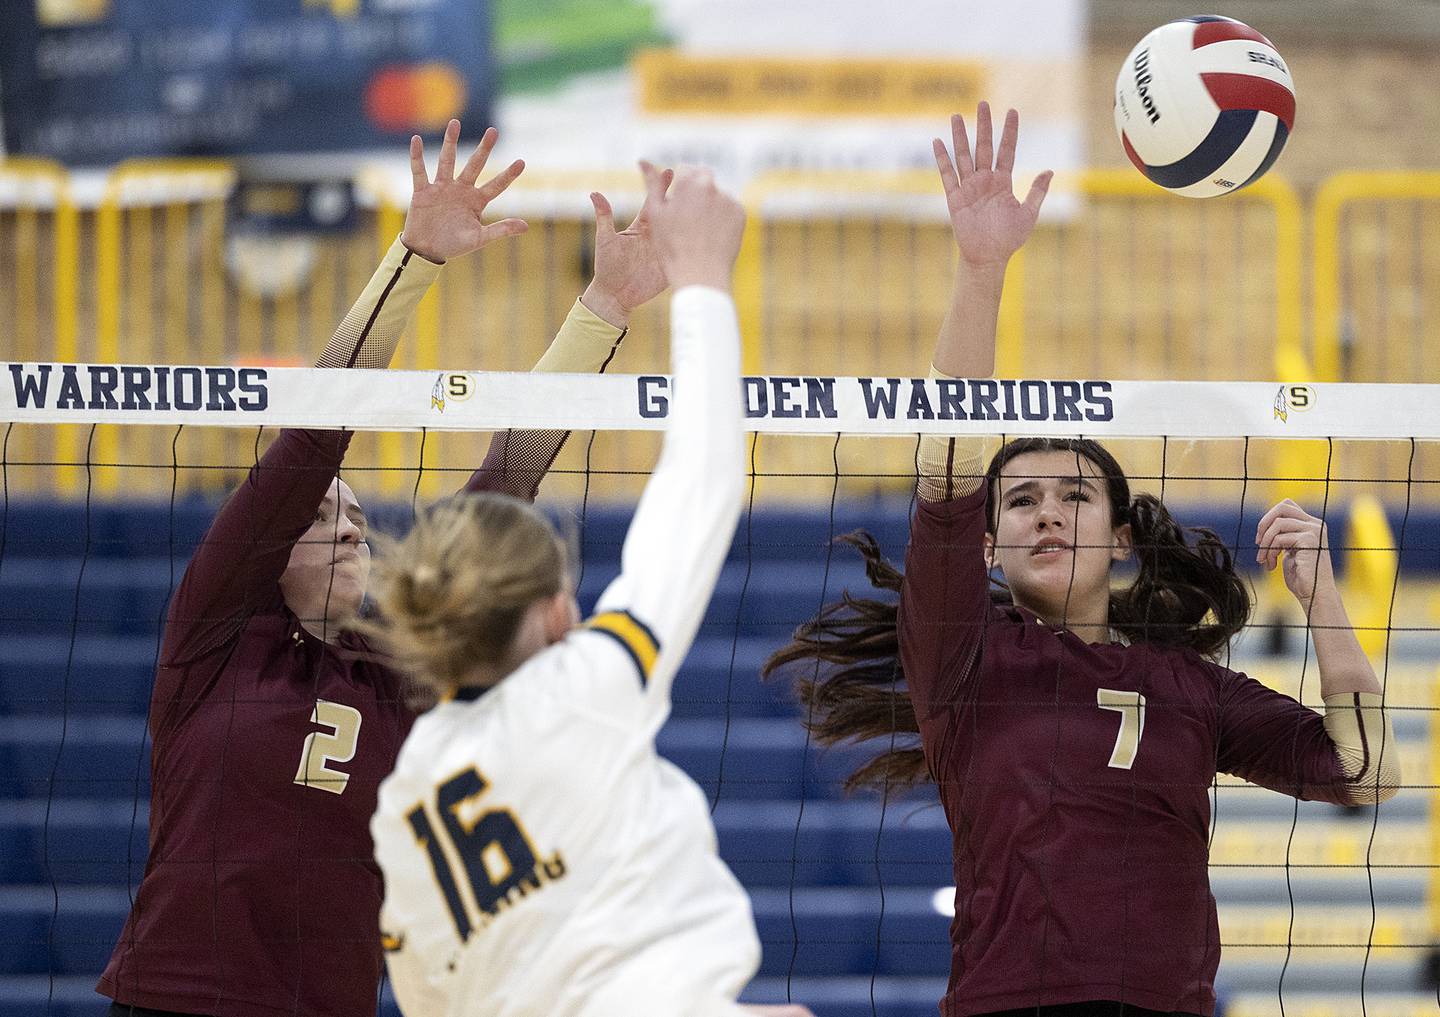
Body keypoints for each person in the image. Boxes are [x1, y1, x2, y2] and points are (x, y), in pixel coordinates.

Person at [763, 103, 1401, 1017]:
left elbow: (1367, 771)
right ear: (989, 542)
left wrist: (1324, 596)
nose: (1049, 515)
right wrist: (981, 271)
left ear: (1121, 535)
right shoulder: (963, 656)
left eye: (1075, 497)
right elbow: (947, 462)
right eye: (1021, 500)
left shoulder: (1189, 684)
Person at [99, 120, 679, 1017]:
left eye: (358, 516)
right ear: (267, 547)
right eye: (321, 515)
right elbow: (313, 436)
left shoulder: (397, 668)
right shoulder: (215, 636)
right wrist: (413, 259)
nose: (349, 522)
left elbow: (501, 491)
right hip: (178, 998)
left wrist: (601, 308)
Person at [365, 163, 811, 1017]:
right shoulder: (584, 687)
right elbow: (701, 487)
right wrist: (704, 286)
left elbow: (428, 998)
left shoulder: (402, 795)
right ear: (554, 613)